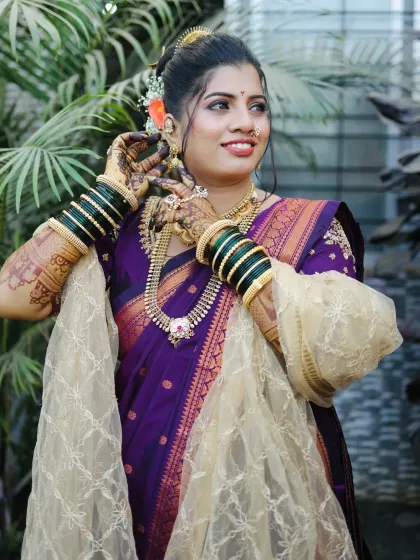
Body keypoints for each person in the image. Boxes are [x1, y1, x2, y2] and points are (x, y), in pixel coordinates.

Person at [0, 30, 402, 560]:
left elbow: (329, 360)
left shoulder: (308, 229)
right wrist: (109, 195)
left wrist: (218, 238)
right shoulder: (121, 232)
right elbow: (14, 297)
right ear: (166, 119)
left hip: (258, 510)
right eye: (221, 105)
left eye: (257, 106)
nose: (246, 122)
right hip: (126, 498)